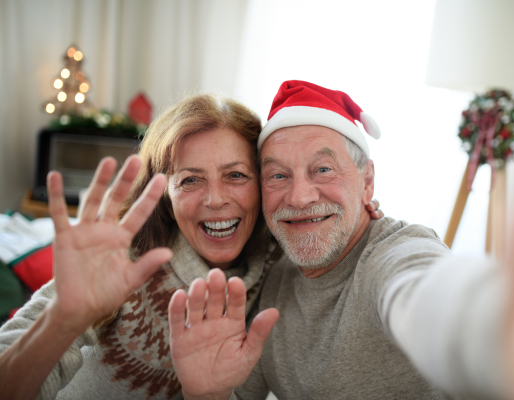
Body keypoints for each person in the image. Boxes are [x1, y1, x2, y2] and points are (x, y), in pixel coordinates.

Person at [167, 80, 514, 400]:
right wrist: (204, 395)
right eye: (278, 175)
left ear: (367, 183)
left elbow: (426, 290)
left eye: (323, 169)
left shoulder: (392, 254)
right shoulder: (270, 278)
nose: (299, 196)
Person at [0, 92, 385, 400]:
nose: (215, 200)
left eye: (236, 175)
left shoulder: (280, 256)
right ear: (164, 193)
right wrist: (63, 319)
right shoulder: (122, 263)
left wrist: (357, 210)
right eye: (190, 180)